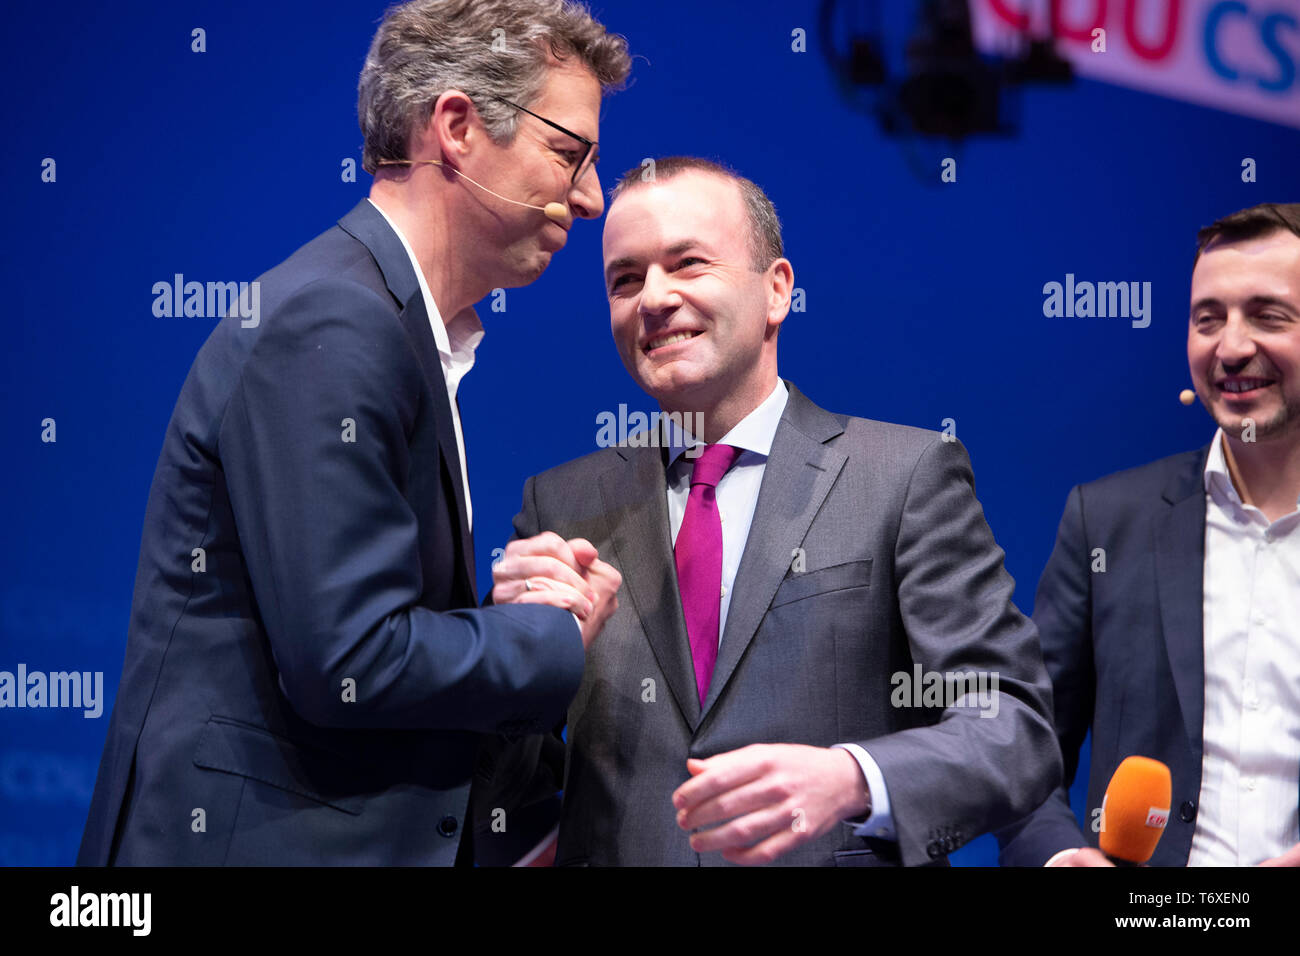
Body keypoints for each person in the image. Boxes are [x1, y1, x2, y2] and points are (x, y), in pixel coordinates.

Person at [77, 0, 629, 866]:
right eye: (569, 152)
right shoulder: (337, 318)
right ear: (456, 127)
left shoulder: (383, 319)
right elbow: (353, 657)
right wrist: (554, 629)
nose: (591, 198)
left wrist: (501, 620)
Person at [486, 157, 1061, 866]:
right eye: (625, 280)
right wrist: (509, 659)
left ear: (777, 291)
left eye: (687, 264)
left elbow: (1012, 723)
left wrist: (854, 777)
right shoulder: (562, 504)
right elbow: (507, 784)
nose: (653, 299)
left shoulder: (902, 476)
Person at [998, 202, 1300, 867]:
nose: (1232, 346)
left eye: (1268, 315)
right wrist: (1057, 857)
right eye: (1207, 319)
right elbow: (1026, 746)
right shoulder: (1106, 519)